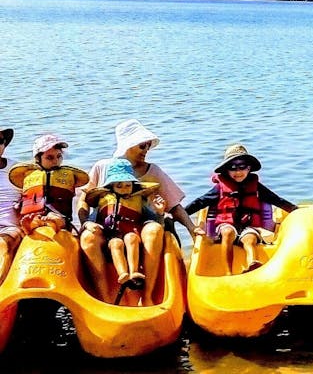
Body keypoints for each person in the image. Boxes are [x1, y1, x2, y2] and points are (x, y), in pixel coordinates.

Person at [78, 119, 203, 305]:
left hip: (138, 227)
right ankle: (104, 299)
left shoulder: (153, 171)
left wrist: (192, 228)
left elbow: (174, 205)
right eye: (142, 146)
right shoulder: (103, 167)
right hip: (107, 228)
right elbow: (85, 199)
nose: (146, 150)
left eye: (148, 146)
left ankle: (150, 296)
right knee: (88, 238)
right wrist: (85, 222)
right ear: (128, 145)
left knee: (153, 230)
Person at [185, 144, 297, 275]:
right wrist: (180, 214)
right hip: (225, 225)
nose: (238, 172)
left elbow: (275, 199)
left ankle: (253, 263)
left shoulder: (256, 186)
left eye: (242, 167)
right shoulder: (220, 188)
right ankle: (227, 271)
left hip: (248, 226)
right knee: (227, 232)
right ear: (226, 170)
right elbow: (200, 202)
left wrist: (295, 209)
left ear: (249, 168)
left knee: (250, 239)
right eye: (233, 168)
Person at [83, 159, 165, 300]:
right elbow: (92, 219)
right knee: (116, 243)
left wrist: (160, 212)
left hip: (133, 234)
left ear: (133, 185)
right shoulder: (104, 200)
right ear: (111, 186)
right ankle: (123, 274)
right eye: (119, 186)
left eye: (128, 185)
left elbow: (153, 220)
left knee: (130, 238)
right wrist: (87, 225)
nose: (124, 188)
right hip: (112, 236)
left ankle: (134, 272)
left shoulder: (139, 201)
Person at [8, 134, 88, 234]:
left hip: (60, 217)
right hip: (36, 214)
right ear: (38, 159)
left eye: (59, 156)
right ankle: (30, 225)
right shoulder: (30, 175)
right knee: (34, 218)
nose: (56, 161)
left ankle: (53, 223)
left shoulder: (67, 176)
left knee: (56, 218)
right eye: (49, 158)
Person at [0, 127, 22, 281]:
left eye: (0, 141)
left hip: (10, 227)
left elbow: (32, 197)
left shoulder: (17, 170)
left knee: (4, 243)